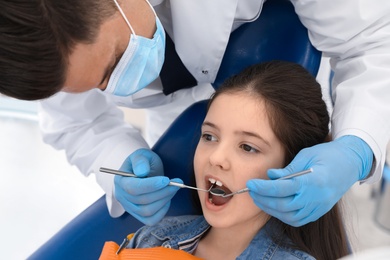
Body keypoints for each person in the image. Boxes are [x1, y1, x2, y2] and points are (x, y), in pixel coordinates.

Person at [1, 0, 389, 227]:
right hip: (170, 119)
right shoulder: (36, 32)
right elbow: (76, 122)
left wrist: (356, 146)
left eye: (117, 62)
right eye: (208, 138)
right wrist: (119, 165)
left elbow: (372, 38)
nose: (216, 159)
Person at [99, 61, 350, 260]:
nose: (216, 157)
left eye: (248, 147)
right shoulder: (153, 237)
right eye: (209, 136)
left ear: (292, 169)